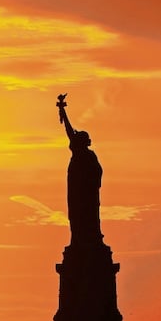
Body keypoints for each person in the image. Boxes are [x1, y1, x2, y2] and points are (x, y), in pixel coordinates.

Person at [57, 95, 102, 244]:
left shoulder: (89, 156)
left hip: (88, 194)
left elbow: (98, 173)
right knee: (76, 214)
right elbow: (69, 131)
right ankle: (78, 237)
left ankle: (91, 237)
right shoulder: (80, 154)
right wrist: (63, 111)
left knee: (89, 214)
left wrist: (91, 182)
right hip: (77, 191)